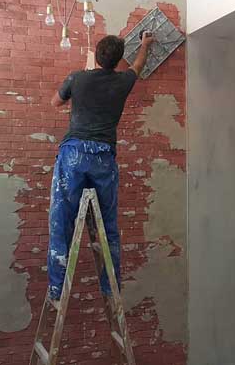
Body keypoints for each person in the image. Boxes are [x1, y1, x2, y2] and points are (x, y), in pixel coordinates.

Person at [47, 32, 155, 301]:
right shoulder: (123, 81)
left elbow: (55, 102)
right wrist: (145, 44)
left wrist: (78, 91)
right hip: (103, 158)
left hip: (74, 154)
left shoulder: (77, 78)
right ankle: (110, 286)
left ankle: (57, 287)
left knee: (62, 219)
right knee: (107, 225)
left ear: (96, 56)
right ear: (118, 61)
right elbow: (138, 65)